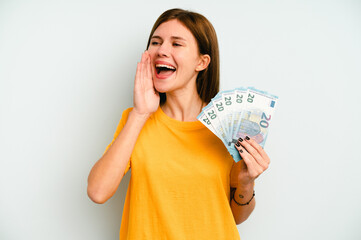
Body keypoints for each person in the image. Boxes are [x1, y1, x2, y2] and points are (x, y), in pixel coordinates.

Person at [87, 8, 270, 240]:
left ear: (202, 62)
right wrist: (140, 113)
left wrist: (246, 183)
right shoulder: (135, 119)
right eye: (155, 42)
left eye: (176, 44)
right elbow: (97, 191)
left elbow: (235, 217)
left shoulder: (228, 127)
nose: (161, 50)